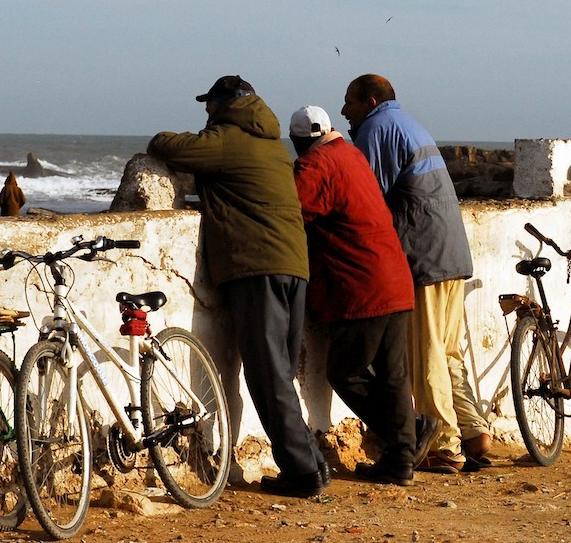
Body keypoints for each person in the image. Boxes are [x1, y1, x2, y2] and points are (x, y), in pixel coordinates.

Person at [148, 76, 326, 498]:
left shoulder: (228, 137)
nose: (205, 113)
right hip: (293, 265)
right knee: (280, 373)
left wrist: (160, 138)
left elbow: (170, 147)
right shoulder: (271, 142)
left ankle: (303, 474)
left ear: (223, 104)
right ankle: (313, 465)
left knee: (268, 378)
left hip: (255, 266)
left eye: (209, 105)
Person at [341, 74, 488, 473]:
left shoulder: (376, 129)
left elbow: (365, 197)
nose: (344, 112)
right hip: (451, 253)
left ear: (370, 102)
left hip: (423, 256)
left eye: (349, 103)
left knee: (426, 356)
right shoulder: (409, 124)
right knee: (447, 350)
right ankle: (474, 433)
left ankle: (443, 446)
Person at [288, 105, 436, 486]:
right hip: (394, 277)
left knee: (345, 371)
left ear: (299, 141)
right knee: (393, 376)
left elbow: (292, 212)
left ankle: (410, 434)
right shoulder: (352, 155)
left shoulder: (314, 165)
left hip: (362, 286)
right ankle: (401, 457)